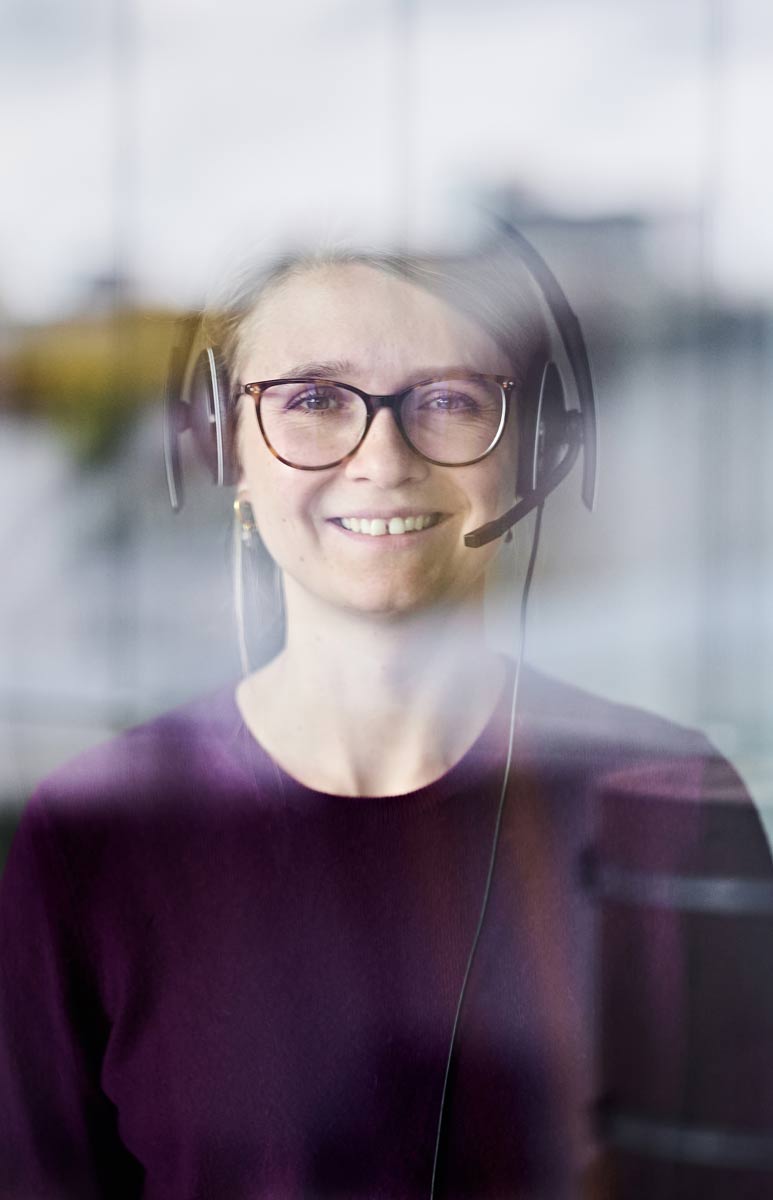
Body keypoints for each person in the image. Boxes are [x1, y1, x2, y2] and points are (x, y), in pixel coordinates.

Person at [1, 236, 773, 1199]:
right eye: (312, 401)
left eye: (448, 401)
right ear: (228, 450)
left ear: (529, 455)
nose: (382, 457)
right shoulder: (92, 833)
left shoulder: (669, 801)